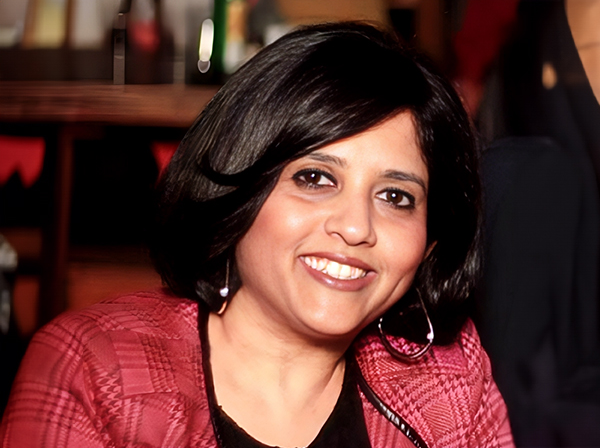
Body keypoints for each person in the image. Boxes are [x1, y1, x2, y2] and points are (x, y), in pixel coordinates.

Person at [0, 22, 513, 448]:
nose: (356, 227)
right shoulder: (96, 370)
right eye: (315, 178)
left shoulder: (449, 384)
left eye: (396, 197)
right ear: (239, 190)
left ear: (431, 240)